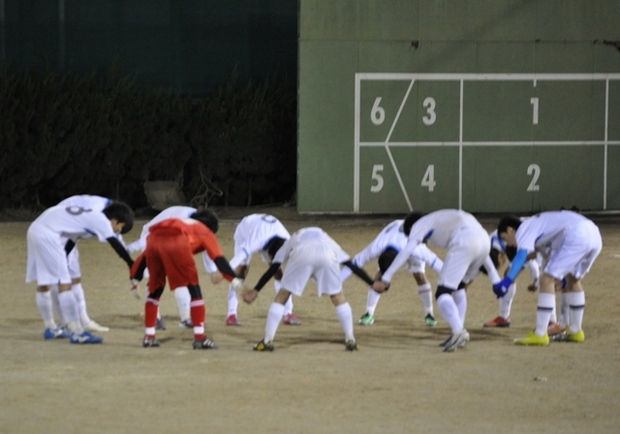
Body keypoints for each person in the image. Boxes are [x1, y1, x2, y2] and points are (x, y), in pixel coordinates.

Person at [372, 210, 490, 352]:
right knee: (459, 287)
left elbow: (406, 252)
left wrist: (386, 277)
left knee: (442, 293)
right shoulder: (436, 219)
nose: (420, 241)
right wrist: (494, 278)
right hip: (485, 241)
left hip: (465, 241)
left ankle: (459, 331)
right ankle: (456, 332)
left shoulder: (419, 225)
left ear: (411, 228)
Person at [242, 227, 375, 351]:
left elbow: (274, 268)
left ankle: (267, 341)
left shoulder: (289, 242)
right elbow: (350, 264)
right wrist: (371, 283)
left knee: (283, 295)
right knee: (338, 296)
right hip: (328, 254)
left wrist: (256, 290)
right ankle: (351, 339)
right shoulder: (325, 237)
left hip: (302, 254)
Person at [130, 210, 243, 349]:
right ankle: (200, 338)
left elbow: (145, 256)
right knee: (194, 289)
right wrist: (234, 280)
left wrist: (135, 279)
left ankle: (149, 337)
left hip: (153, 238)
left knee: (155, 290)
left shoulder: (178, 221)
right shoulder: (204, 230)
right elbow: (219, 259)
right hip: (178, 243)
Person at [26, 201, 135, 344]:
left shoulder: (88, 218)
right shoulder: (101, 220)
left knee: (45, 281)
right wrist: (132, 264)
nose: (118, 231)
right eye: (120, 227)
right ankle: (77, 332)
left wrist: (64, 257)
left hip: (36, 229)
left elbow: (72, 239)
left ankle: (50, 327)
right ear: (114, 220)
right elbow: (116, 244)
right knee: (65, 283)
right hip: (48, 234)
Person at [495, 211, 602, 345]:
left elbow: (522, 255)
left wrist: (507, 281)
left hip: (578, 234)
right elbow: (545, 258)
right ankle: (576, 331)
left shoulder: (523, 229)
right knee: (572, 280)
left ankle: (540, 334)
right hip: (594, 234)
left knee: (546, 279)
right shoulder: (540, 232)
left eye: (505, 238)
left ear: (510, 230)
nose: (508, 244)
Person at [126, 205, 223, 330]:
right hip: (153, 235)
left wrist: (213, 271)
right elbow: (152, 235)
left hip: (176, 241)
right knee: (156, 277)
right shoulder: (178, 219)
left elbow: (205, 244)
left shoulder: (199, 220)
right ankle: (155, 318)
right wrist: (131, 248)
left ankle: (185, 318)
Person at [340, 219, 443, 327]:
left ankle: (429, 314)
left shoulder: (417, 248)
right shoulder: (376, 247)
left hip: (412, 235)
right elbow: (354, 264)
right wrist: (337, 282)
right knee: (380, 275)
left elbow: (438, 264)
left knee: (419, 275)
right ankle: (369, 313)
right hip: (392, 232)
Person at [50, 195, 121, 333]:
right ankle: (65, 322)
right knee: (58, 279)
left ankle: (84, 320)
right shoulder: (97, 211)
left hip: (67, 234)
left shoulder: (105, 208)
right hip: (56, 233)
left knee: (75, 279)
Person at [215, 213, 301, 326]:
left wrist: (255, 290)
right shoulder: (255, 241)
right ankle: (231, 315)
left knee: (279, 273)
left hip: (266, 232)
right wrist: (222, 271)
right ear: (269, 254)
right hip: (245, 232)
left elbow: (277, 267)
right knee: (241, 271)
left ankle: (288, 313)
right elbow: (238, 257)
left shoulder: (288, 241)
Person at [481, 228, 542, 328]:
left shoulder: (509, 242)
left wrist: (536, 281)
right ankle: (503, 317)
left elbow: (530, 259)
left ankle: (552, 321)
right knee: (509, 274)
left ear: (500, 257)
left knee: (547, 281)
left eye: (499, 265)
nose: (500, 267)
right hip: (532, 241)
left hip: (541, 244)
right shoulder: (490, 244)